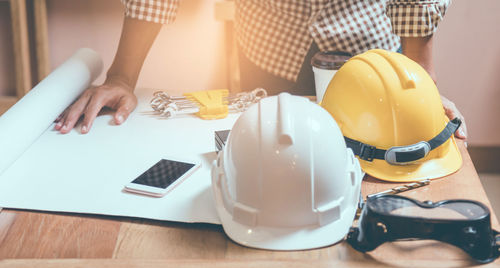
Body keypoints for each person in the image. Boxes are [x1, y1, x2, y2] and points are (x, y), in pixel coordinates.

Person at [55, 0, 467, 139]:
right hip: (269, 44)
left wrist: (419, 85)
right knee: (273, 158)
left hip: (367, 48)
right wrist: (123, 75)